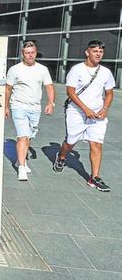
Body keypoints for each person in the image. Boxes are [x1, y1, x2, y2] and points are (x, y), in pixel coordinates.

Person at [53, 40, 115, 192]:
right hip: (77, 112)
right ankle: (61, 156)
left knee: (96, 144)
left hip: (97, 114)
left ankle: (95, 177)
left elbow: (109, 93)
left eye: (101, 51)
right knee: (71, 142)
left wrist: (105, 109)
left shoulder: (106, 72)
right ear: (87, 52)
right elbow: (70, 92)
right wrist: (85, 109)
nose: (98, 54)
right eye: (95, 51)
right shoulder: (77, 70)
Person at [5, 40, 55, 181]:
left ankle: (21, 159)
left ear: (36, 53)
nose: (30, 55)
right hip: (18, 106)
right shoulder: (15, 70)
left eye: (32, 53)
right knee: (22, 136)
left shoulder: (42, 69)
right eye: (27, 53)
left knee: (29, 136)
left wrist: (51, 103)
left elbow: (49, 86)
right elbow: (8, 89)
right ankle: (21, 167)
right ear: (22, 54)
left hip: (35, 107)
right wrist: (6, 106)